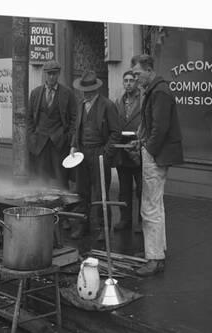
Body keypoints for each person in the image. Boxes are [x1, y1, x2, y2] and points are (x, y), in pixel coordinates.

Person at [130, 54, 184, 276]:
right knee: (156, 205)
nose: (135, 78)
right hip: (158, 153)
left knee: (149, 207)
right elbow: (153, 125)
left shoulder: (159, 91)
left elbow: (159, 129)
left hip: (156, 156)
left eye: (137, 73)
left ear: (149, 69)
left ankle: (153, 258)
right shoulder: (156, 89)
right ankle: (157, 251)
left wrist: (148, 150)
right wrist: (142, 141)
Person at [70, 70, 121, 242]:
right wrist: (73, 146)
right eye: (84, 91)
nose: (86, 94)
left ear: (96, 90)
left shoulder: (107, 105)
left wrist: (106, 154)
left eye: (89, 91)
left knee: (101, 193)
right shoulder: (80, 104)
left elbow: (116, 133)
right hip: (82, 153)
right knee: (81, 192)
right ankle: (82, 226)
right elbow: (76, 128)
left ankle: (102, 227)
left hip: (99, 152)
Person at [27, 60, 77, 191]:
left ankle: (63, 209)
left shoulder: (67, 93)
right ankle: (43, 208)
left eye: (54, 74)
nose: (51, 77)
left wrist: (68, 138)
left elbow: (74, 119)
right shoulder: (36, 93)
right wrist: (32, 137)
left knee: (61, 179)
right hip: (40, 143)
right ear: (44, 74)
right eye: (49, 74)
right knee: (40, 180)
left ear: (59, 74)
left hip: (59, 143)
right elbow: (29, 119)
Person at [114, 70, 143, 233]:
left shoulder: (143, 100)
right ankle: (125, 219)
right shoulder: (119, 101)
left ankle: (141, 221)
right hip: (122, 150)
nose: (128, 83)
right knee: (124, 189)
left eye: (131, 80)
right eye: (125, 81)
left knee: (141, 189)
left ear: (136, 82)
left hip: (138, 150)